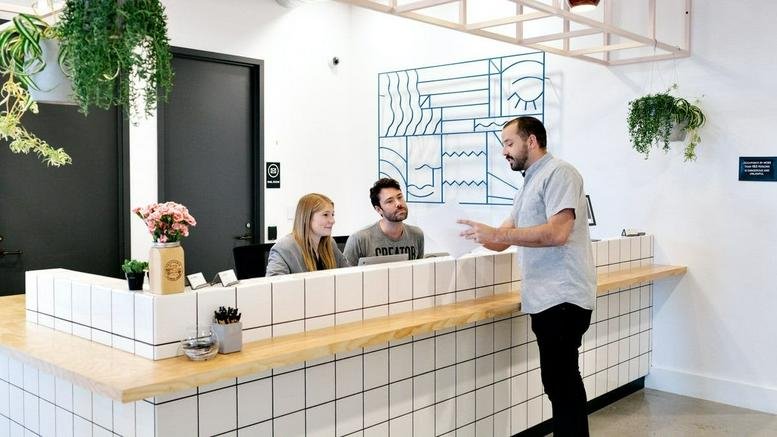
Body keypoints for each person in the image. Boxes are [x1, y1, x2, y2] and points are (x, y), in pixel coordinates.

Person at [458, 116, 596, 437]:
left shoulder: (560, 173)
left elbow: (557, 232)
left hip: (562, 298)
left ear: (531, 141)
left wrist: (500, 234)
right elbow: (500, 239)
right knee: (557, 384)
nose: (504, 151)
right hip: (545, 300)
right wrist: (476, 234)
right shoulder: (530, 183)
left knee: (562, 385)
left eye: (509, 143)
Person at [343, 177, 424, 266]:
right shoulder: (359, 239)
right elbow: (345, 278)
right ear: (379, 210)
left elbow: (418, 273)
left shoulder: (417, 234)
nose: (398, 203)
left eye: (400, 197)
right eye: (390, 201)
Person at [266, 193, 349, 276]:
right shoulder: (284, 248)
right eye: (325, 215)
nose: (332, 220)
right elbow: (274, 286)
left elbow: (349, 275)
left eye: (332, 214)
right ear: (307, 217)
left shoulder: (330, 244)